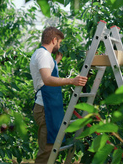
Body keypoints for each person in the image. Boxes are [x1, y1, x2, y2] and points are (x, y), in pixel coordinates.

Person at [30, 27, 88, 163]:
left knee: (51, 147)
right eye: (60, 42)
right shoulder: (43, 55)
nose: (60, 45)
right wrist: (72, 81)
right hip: (45, 109)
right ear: (54, 40)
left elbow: (45, 71)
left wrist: (56, 62)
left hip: (48, 107)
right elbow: (47, 79)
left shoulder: (44, 55)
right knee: (47, 150)